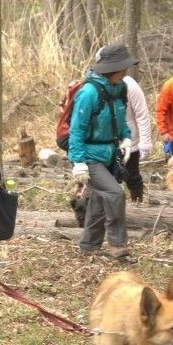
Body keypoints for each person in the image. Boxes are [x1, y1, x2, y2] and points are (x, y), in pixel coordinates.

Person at [69, 43, 136, 259]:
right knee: (115, 194)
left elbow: (120, 120)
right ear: (111, 68)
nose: (125, 71)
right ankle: (116, 243)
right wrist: (78, 162)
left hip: (109, 152)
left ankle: (89, 244)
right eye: (122, 68)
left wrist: (126, 138)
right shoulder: (89, 92)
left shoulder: (120, 89)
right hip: (89, 156)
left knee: (99, 197)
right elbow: (76, 130)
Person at [123, 73, 152, 203]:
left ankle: (137, 202)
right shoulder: (96, 84)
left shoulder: (130, 85)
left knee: (132, 176)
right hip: (106, 142)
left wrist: (145, 143)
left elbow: (142, 115)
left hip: (130, 141)